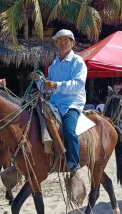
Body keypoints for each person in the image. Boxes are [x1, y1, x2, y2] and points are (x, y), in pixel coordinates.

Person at [31, 29, 87, 172]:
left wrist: (56, 85)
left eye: (65, 40)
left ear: (72, 43)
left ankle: (73, 164)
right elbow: (47, 87)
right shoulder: (54, 64)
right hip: (54, 102)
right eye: (59, 41)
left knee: (69, 130)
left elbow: (77, 85)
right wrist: (40, 81)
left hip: (71, 103)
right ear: (55, 43)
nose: (62, 43)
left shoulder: (78, 62)